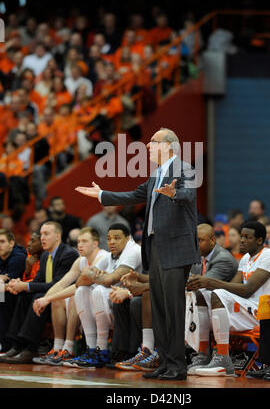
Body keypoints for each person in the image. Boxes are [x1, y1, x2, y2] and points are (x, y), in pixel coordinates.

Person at [75, 127, 200, 380]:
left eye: (153, 142)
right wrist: (101, 195)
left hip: (176, 248)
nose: (148, 146)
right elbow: (133, 195)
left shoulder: (183, 168)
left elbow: (188, 194)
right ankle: (164, 363)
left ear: (169, 146)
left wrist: (174, 193)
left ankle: (177, 366)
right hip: (155, 247)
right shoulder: (156, 175)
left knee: (173, 309)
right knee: (159, 308)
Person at [188, 221, 270, 377]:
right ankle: (203, 353)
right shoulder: (246, 258)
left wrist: (210, 282)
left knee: (216, 292)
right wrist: (207, 285)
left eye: (247, 237)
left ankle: (222, 357)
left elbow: (248, 290)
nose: (241, 240)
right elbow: (230, 286)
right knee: (202, 293)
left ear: (259, 240)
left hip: (266, 311)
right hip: (249, 308)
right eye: (241, 237)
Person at [63, 223, 142, 369]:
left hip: (127, 301)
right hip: (112, 303)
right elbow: (80, 282)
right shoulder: (110, 255)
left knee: (98, 290)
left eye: (117, 238)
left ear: (128, 238)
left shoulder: (133, 251)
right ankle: (91, 349)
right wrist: (94, 276)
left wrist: (93, 275)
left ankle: (102, 349)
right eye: (109, 238)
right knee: (81, 292)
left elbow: (110, 280)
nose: (111, 242)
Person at [0, 221, 79, 363]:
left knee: (37, 295)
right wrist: (20, 285)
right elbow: (37, 281)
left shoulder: (68, 254)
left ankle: (31, 348)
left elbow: (57, 285)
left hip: (66, 299)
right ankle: (16, 345)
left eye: (46, 234)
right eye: (41, 234)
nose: (42, 238)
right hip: (48, 298)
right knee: (24, 295)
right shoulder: (44, 256)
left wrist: (25, 286)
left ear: (57, 236)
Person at [32, 227, 109, 366]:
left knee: (75, 295)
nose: (80, 245)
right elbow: (63, 283)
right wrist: (44, 300)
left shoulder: (103, 258)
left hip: (105, 303)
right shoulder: (81, 260)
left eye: (84, 241)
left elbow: (78, 285)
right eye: (79, 241)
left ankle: (68, 349)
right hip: (89, 304)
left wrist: (47, 299)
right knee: (58, 300)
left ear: (95, 243)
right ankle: (57, 348)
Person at [185, 223, 238, 374]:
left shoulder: (224, 259)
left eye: (200, 240)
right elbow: (185, 279)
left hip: (225, 306)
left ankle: (213, 355)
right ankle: (200, 354)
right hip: (206, 304)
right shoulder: (197, 256)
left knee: (197, 293)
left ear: (213, 241)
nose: (196, 244)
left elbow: (199, 283)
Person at [0, 229, 27, 352]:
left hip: (22, 293)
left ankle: (6, 343)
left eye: (2, 241)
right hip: (6, 292)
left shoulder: (18, 257)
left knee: (3, 297)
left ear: (11, 243)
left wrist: (2, 282)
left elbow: (9, 286)